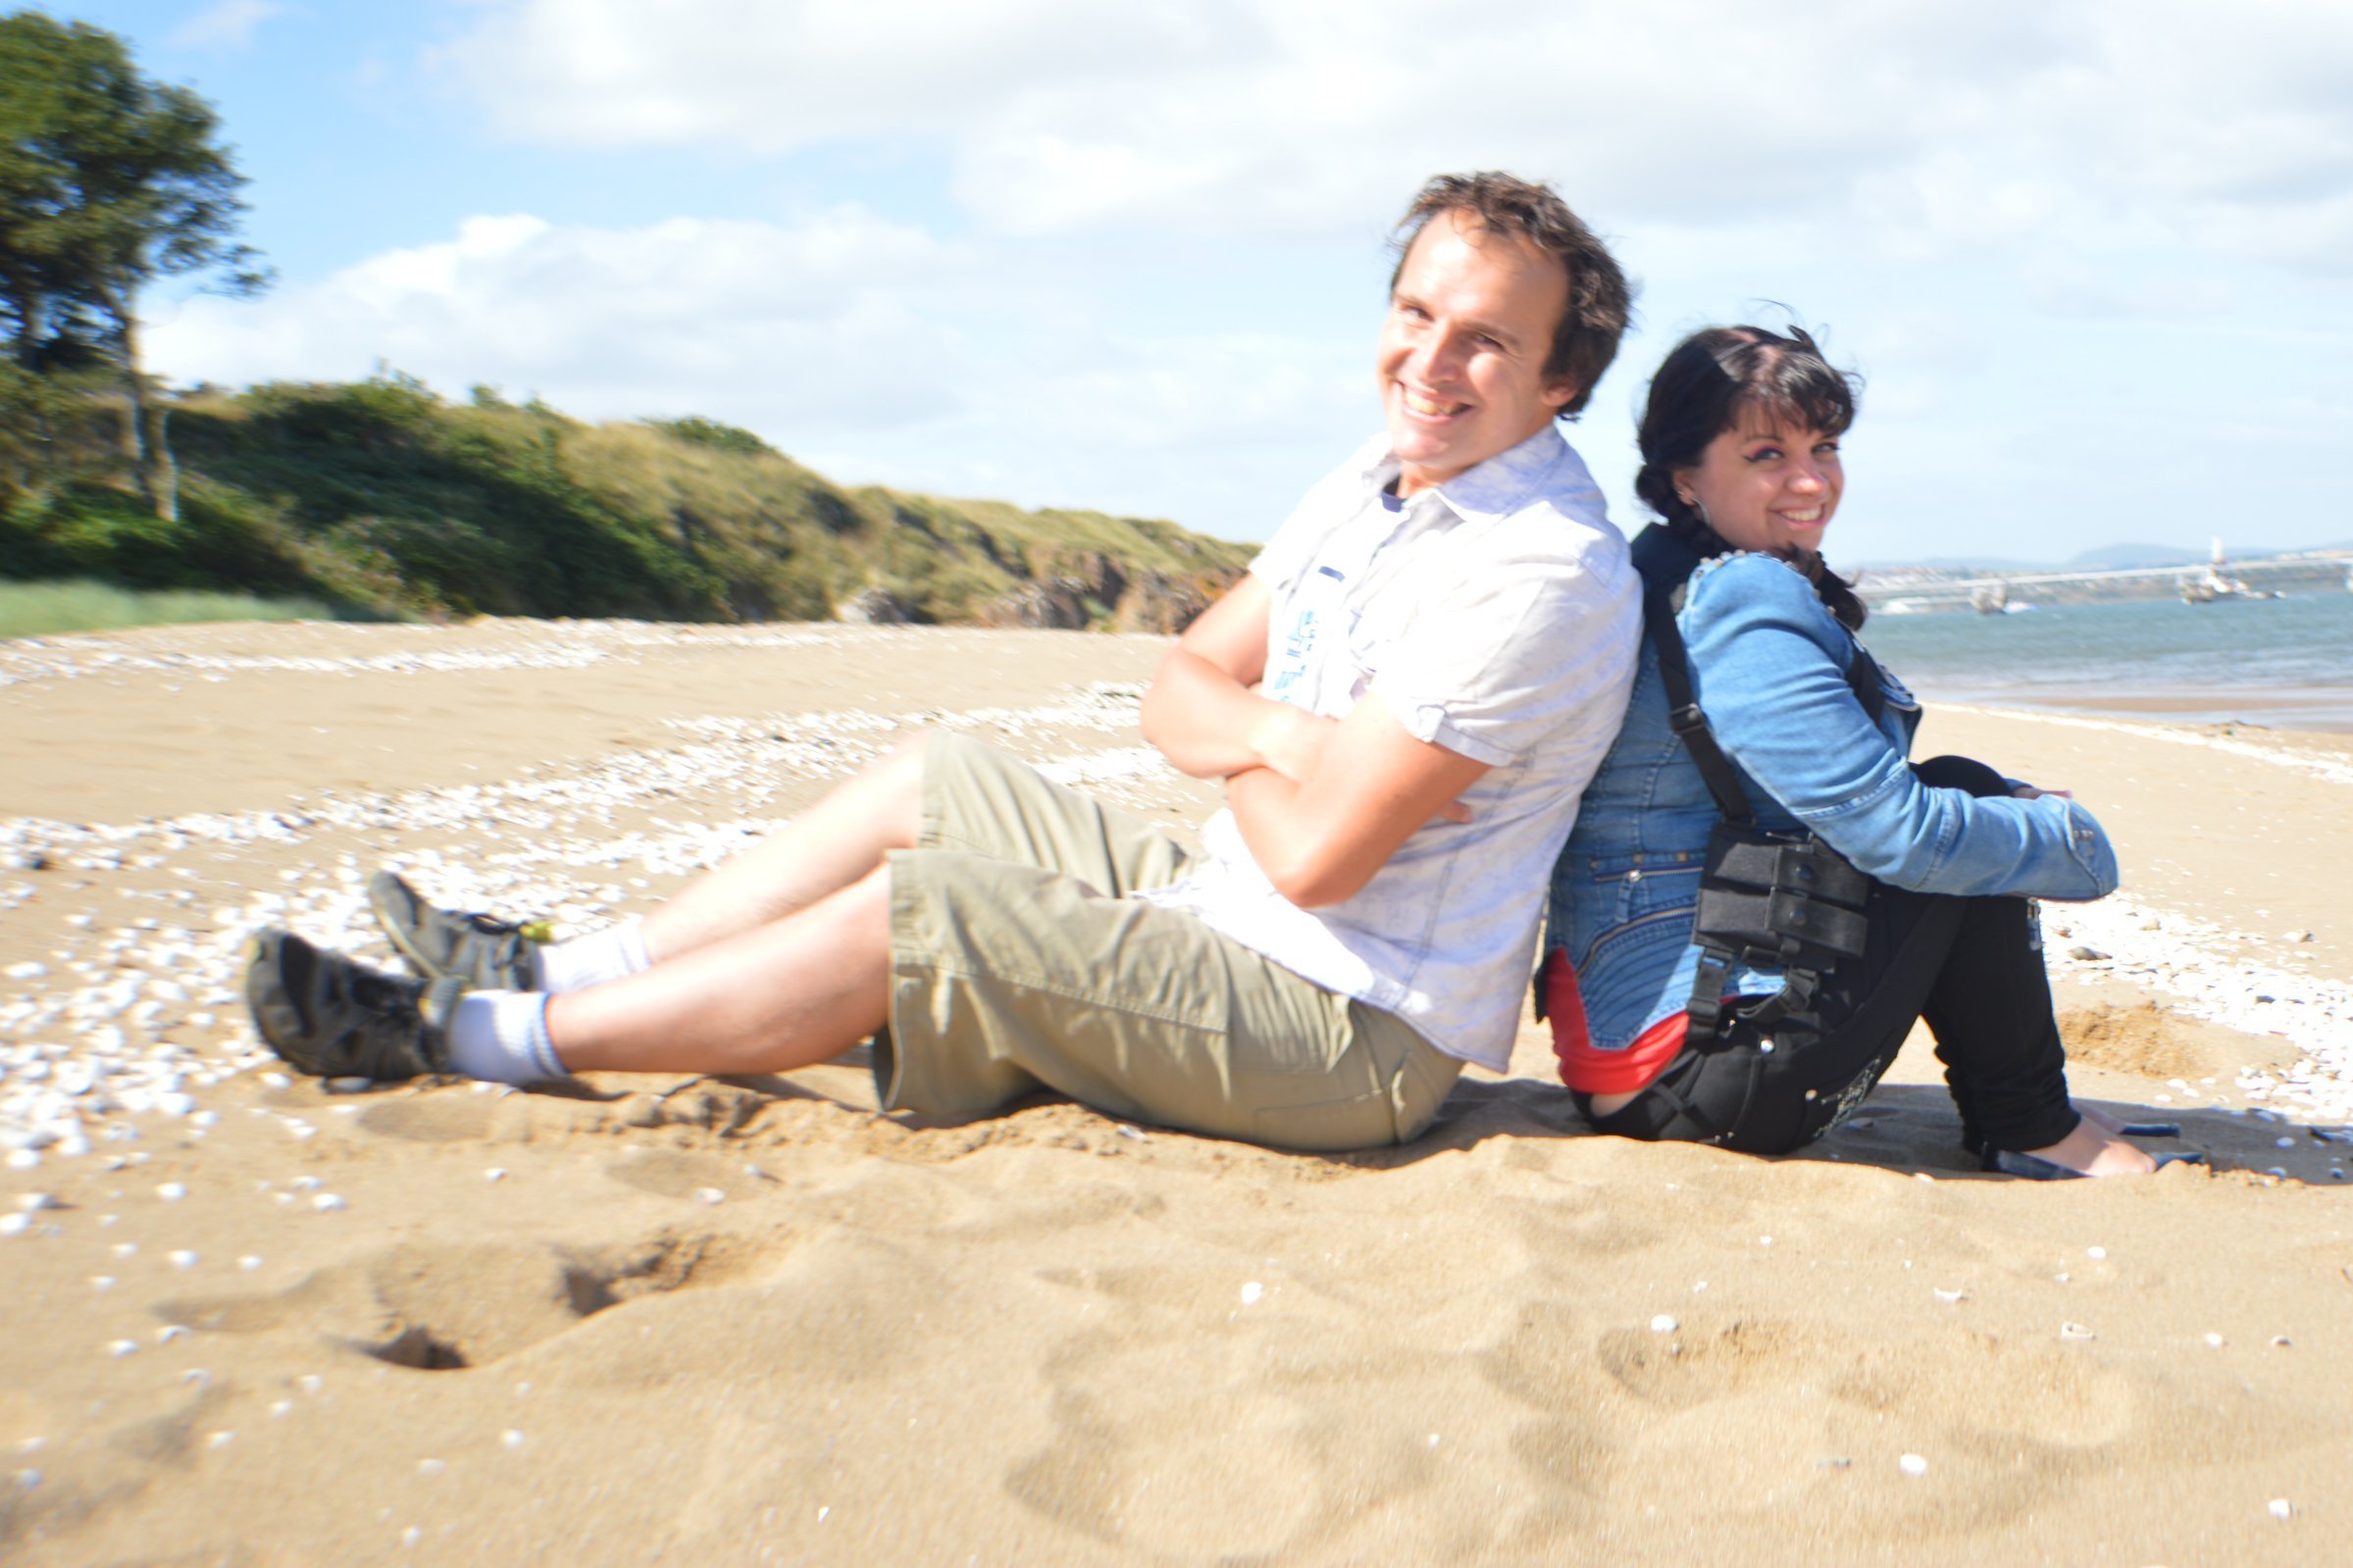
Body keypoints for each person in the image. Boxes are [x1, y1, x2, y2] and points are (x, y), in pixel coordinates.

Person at [245, 172, 1644, 1153]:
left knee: (935, 908)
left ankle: (473, 1032)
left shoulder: (1538, 572)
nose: (1430, 360)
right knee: (937, 780)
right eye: (1414, 312)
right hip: (1229, 914)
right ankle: (566, 966)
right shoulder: (1377, 472)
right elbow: (1177, 684)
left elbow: (1323, 866)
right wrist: (1283, 739)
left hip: (1348, 1029)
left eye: (1485, 342)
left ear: (1557, 383)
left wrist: (1254, 743)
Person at [1540, 325, 2167, 1178]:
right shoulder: (1742, 600)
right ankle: (2032, 1122)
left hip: (1619, 1065)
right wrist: (2071, 840)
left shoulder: (1656, 572)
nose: (1811, 479)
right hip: (1703, 1080)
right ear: (1686, 476)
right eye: (1768, 452)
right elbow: (1899, 837)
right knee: (1957, 807)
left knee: (1963, 802)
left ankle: (2025, 1111)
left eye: (1824, 445)